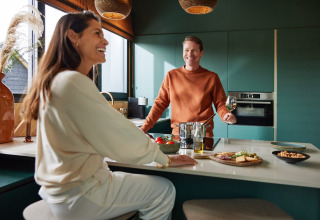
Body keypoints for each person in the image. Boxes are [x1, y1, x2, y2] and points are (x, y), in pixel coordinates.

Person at [21, 11, 196, 220]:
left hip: (57, 193)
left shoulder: (55, 82)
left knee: (126, 178)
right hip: (81, 196)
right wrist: (163, 159)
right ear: (73, 36)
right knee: (164, 189)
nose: (106, 41)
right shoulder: (72, 82)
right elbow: (119, 135)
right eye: (97, 33)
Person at [141, 36, 236, 137]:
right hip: (178, 135)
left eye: (194, 50)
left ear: (201, 53)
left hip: (203, 135)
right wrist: (144, 128)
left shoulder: (212, 77)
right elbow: (159, 104)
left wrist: (225, 115)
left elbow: (220, 104)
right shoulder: (171, 76)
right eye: (186, 50)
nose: (189, 54)